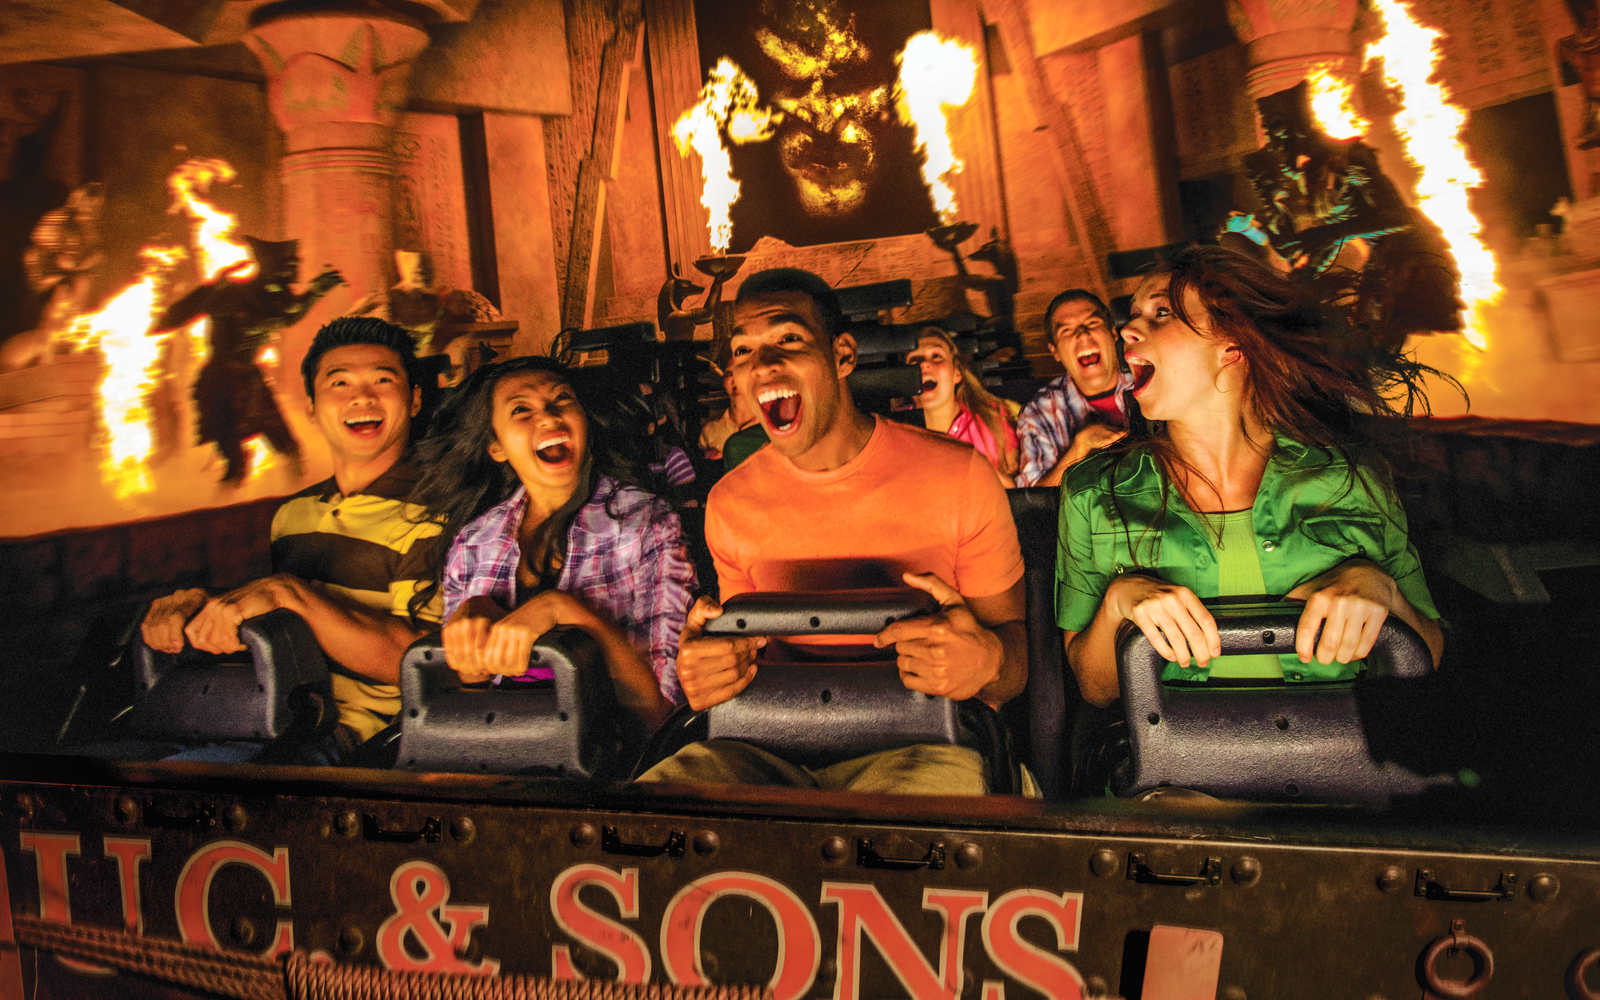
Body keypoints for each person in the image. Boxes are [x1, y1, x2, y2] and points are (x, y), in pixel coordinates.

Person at [639, 268, 1028, 795]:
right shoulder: (730, 501)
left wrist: (986, 660)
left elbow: (1015, 660)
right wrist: (711, 669)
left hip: (928, 742)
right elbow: (745, 651)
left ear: (842, 355)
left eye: (788, 339)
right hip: (771, 745)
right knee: (654, 807)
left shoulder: (960, 476)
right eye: (743, 350)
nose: (762, 364)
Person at [1057, 244, 1444, 712]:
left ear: (1232, 346)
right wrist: (1119, 602)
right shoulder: (1093, 493)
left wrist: (1381, 589)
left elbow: (1429, 653)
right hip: (1177, 754)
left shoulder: (1352, 476)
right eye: (1134, 314)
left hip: (1345, 748)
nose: (1126, 330)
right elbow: (1094, 688)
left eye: (1161, 313)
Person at [139, 317, 445, 762]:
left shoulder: (437, 511)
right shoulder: (293, 513)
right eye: (339, 383)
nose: (362, 396)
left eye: (383, 380)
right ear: (311, 406)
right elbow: (286, 626)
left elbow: (423, 660)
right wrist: (199, 608)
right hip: (263, 715)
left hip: (352, 739)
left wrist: (288, 594)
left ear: (415, 399)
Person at [409, 356, 696, 730]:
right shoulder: (473, 542)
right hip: (499, 748)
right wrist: (473, 629)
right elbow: (454, 707)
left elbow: (661, 711)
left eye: (562, 399)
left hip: (610, 754)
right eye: (521, 410)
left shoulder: (646, 524)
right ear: (495, 446)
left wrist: (561, 611)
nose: (548, 417)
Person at [1015, 289, 1134, 487]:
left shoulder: (1151, 384)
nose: (1082, 334)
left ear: (1113, 333)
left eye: (1092, 323)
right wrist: (1079, 447)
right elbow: (1033, 500)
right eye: (1067, 330)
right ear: (1055, 351)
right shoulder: (1038, 413)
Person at [908, 327, 1019, 486]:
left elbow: (1015, 490)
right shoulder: (893, 430)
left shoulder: (992, 417)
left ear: (957, 373)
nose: (924, 364)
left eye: (936, 356)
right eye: (914, 360)